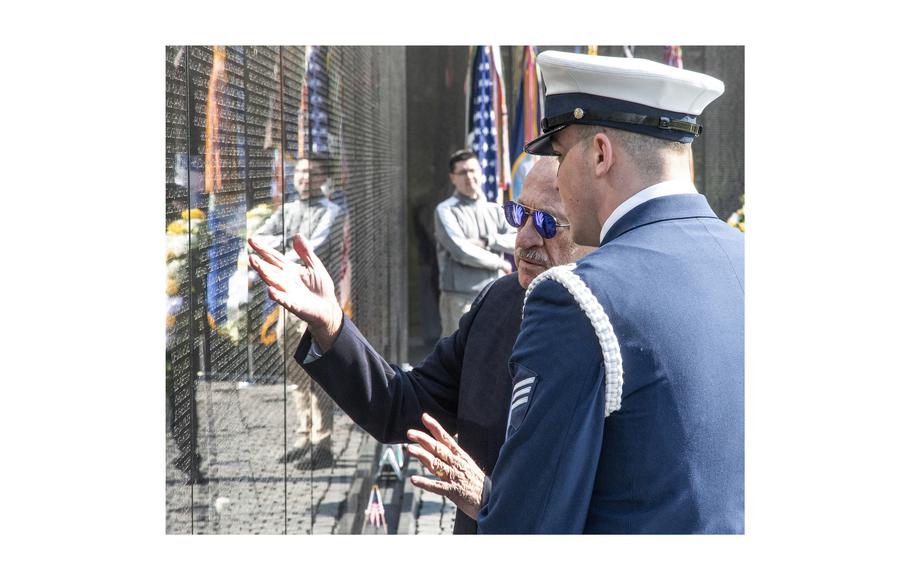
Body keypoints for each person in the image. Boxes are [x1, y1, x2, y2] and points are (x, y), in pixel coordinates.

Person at [475, 51, 744, 533]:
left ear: (600, 154)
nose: (556, 175)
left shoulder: (575, 296)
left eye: (558, 155)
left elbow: (527, 525)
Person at [247, 158, 592, 533]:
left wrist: (493, 502)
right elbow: (401, 406)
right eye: (519, 214)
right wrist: (331, 325)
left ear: (595, 230)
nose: (525, 238)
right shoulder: (497, 302)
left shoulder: (612, 333)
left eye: (546, 223)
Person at [254, 156, 342, 467]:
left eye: (312, 172)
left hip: (315, 304)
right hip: (287, 303)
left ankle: (323, 444)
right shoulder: (286, 210)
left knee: (317, 371)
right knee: (295, 371)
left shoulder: (331, 211)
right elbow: (258, 238)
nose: (304, 177)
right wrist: (279, 252)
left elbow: (312, 249)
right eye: (301, 172)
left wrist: (275, 256)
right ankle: (303, 436)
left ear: (323, 178)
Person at [434, 149, 516, 336]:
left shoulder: (495, 210)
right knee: (456, 360)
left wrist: (489, 240)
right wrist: (500, 262)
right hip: (460, 299)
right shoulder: (445, 210)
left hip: (494, 295)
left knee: (492, 355)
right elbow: (461, 250)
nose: (469, 176)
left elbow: (517, 239)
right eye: (462, 172)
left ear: (481, 172)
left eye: (473, 170)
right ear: (452, 177)